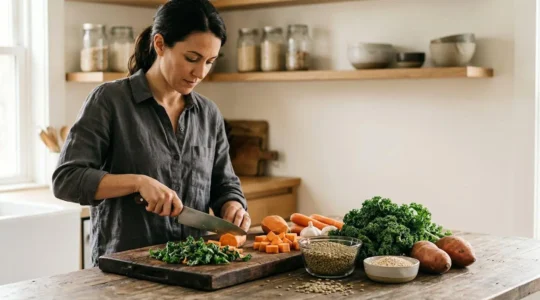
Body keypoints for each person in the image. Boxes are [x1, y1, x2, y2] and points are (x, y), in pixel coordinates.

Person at [52, 0, 250, 266]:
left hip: (194, 268)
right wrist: (138, 182)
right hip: (123, 271)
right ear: (159, 45)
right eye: (192, 58)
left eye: (210, 62)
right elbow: (66, 179)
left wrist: (233, 206)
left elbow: (224, 184)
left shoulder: (208, 114)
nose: (200, 72)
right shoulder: (109, 101)